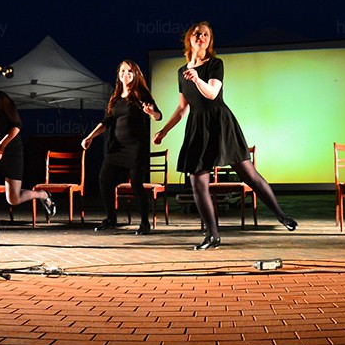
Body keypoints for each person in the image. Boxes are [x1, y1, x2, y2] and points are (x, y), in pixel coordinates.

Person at [153, 21, 297, 250]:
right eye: (197, 33)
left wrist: (197, 78)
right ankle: (213, 235)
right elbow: (182, 108)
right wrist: (164, 130)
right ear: (189, 38)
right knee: (197, 182)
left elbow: (212, 94)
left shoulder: (215, 64)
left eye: (206, 35)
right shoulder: (181, 72)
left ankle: (281, 215)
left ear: (209, 41)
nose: (201, 37)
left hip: (220, 122)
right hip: (197, 126)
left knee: (248, 174)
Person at [0, 64, 56, 246]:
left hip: (11, 149)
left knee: (13, 198)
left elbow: (17, 125)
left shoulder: (1, 99)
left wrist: (2, 145)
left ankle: (42, 195)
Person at [82, 60, 162, 235]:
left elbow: (158, 116)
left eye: (130, 71)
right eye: (123, 71)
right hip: (117, 147)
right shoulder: (116, 97)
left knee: (137, 184)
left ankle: (145, 223)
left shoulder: (141, 94)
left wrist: (151, 112)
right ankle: (111, 218)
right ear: (118, 75)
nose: (126, 74)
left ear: (136, 74)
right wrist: (90, 137)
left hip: (136, 147)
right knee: (104, 179)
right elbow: (106, 122)